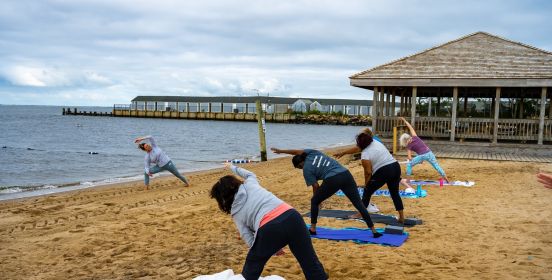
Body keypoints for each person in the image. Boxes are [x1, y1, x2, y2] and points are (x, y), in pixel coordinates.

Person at [210, 163, 327, 280]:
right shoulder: (250, 184)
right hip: (293, 217)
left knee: (252, 266)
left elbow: (247, 236)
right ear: (235, 183)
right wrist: (232, 167)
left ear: (222, 199)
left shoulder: (236, 212)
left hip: (269, 229)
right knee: (309, 261)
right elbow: (249, 174)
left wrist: (267, 248)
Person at [271, 147, 382, 238]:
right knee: (359, 204)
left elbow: (315, 186)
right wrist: (281, 151)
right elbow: (295, 151)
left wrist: (318, 200)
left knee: (313, 201)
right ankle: (374, 231)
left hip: (333, 179)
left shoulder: (306, 170)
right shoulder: (313, 152)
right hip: (346, 174)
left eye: (300, 167)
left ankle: (313, 229)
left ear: (301, 162)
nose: (301, 168)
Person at [334, 131, 405, 223]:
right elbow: (357, 148)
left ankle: (360, 214)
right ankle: (401, 217)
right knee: (394, 193)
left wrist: (367, 184)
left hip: (384, 171)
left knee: (367, 191)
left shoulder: (365, 154)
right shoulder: (375, 142)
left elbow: (368, 172)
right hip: (395, 167)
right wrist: (343, 152)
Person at [398, 117, 450, 182]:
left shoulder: (409, 146)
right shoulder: (415, 136)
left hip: (422, 155)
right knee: (436, 166)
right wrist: (404, 120)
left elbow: (410, 157)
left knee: (409, 165)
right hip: (429, 152)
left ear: (405, 141)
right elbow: (410, 127)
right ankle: (445, 177)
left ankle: (408, 180)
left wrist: (412, 160)